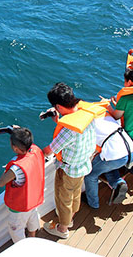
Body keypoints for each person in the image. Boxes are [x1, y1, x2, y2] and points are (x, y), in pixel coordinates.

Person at [42, 82, 96, 239]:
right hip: (83, 166)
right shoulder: (86, 114)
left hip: (68, 170)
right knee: (75, 194)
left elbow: (50, 150)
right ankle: (71, 218)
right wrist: (58, 120)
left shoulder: (68, 130)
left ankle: (62, 229)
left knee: (63, 199)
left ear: (58, 106)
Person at [0, 126, 45, 243]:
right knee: (32, 216)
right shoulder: (35, 150)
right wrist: (16, 131)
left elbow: (1, 183)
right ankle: (32, 235)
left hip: (20, 207)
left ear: (15, 148)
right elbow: (27, 141)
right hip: (33, 199)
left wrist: (6, 173)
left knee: (15, 228)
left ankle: (22, 249)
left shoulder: (16, 168)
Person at [83, 115, 132, 209]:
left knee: (90, 175)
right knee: (106, 165)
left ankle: (93, 203)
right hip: (130, 151)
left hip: (116, 156)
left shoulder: (87, 125)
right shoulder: (107, 117)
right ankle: (119, 183)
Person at [106, 68, 133, 140]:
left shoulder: (125, 98)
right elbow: (127, 109)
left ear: (130, 82)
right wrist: (116, 104)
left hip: (130, 135)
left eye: (125, 81)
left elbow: (116, 116)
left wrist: (107, 105)